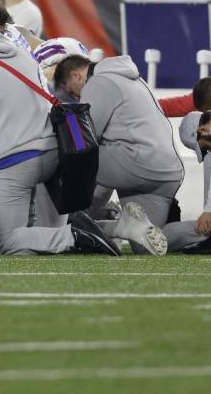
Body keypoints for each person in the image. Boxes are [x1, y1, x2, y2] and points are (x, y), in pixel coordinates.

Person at [0, 19, 118, 256]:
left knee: (6, 240)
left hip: (12, 161)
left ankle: (74, 234)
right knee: (28, 246)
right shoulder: (24, 55)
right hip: (55, 153)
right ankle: (68, 235)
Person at [54, 54, 203, 254]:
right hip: (166, 172)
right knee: (145, 245)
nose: (76, 98)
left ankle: (66, 225)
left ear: (76, 76)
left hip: (136, 163)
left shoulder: (98, 82)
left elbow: (84, 138)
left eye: (72, 92)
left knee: (65, 154)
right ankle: (201, 232)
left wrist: (62, 121)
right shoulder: (135, 79)